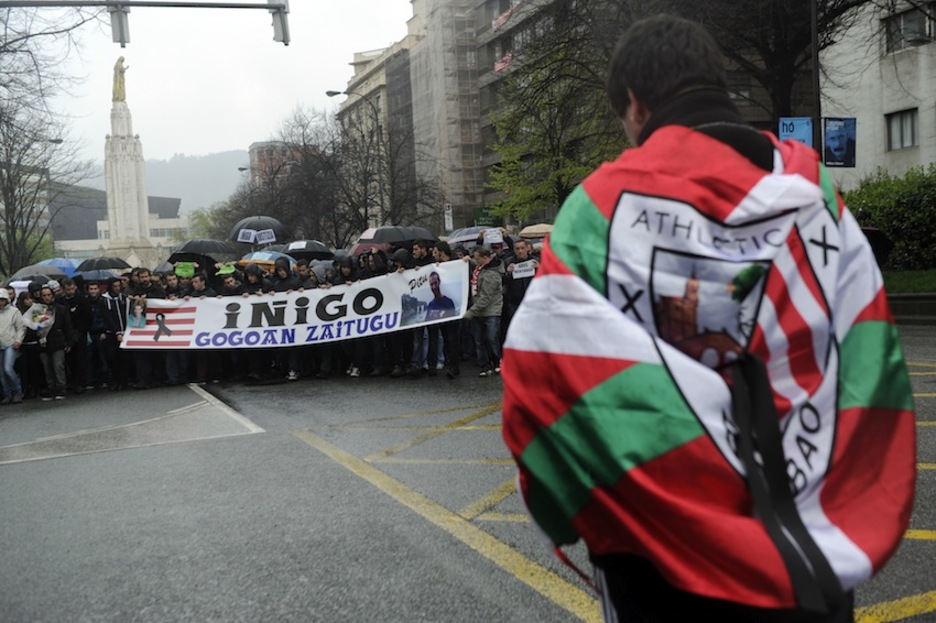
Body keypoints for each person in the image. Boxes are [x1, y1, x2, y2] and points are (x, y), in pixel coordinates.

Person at [501, 15, 915, 623]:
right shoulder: (815, 198)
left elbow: (545, 375)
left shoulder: (599, 207)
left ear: (636, 106)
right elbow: (866, 357)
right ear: (716, 83)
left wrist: (566, 503)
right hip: (804, 542)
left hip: (654, 549)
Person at [23, 285, 74, 400]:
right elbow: (33, 326)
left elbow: (68, 326)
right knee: (47, 367)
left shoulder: (60, 309)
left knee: (58, 365)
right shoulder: (37, 310)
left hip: (57, 342)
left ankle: (61, 389)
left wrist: (69, 342)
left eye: (48, 295)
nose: (46, 297)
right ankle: (51, 388)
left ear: (53, 295)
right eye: (44, 295)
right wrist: (37, 333)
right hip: (43, 343)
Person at [463, 246, 503, 377]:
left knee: (491, 338)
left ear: (485, 258)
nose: (475, 260)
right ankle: (484, 364)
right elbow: (476, 264)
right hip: (479, 311)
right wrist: (468, 260)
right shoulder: (480, 269)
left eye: (477, 257)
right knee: (478, 340)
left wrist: (470, 312)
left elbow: (485, 298)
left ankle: (497, 361)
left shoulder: (491, 274)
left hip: (491, 310)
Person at [0, 288, 26, 404]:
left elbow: (21, 327)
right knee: (1, 372)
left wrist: (18, 340)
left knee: (8, 368)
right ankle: (7, 394)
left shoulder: (14, 311)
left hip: (11, 343)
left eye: (2, 299)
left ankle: (17, 391)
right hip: (0, 344)